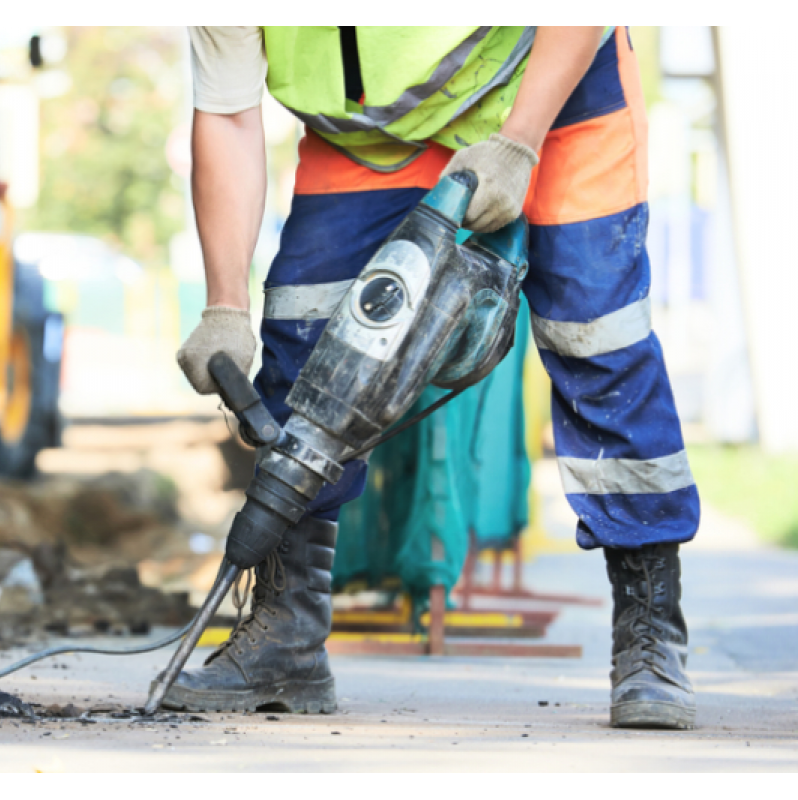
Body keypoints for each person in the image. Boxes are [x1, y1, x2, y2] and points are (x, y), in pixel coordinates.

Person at [171, 26, 699, 730]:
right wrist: (223, 305)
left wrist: (519, 138)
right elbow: (230, 115)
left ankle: (650, 640)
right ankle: (284, 642)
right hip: (371, 135)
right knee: (303, 345)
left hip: (554, 91)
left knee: (595, 339)